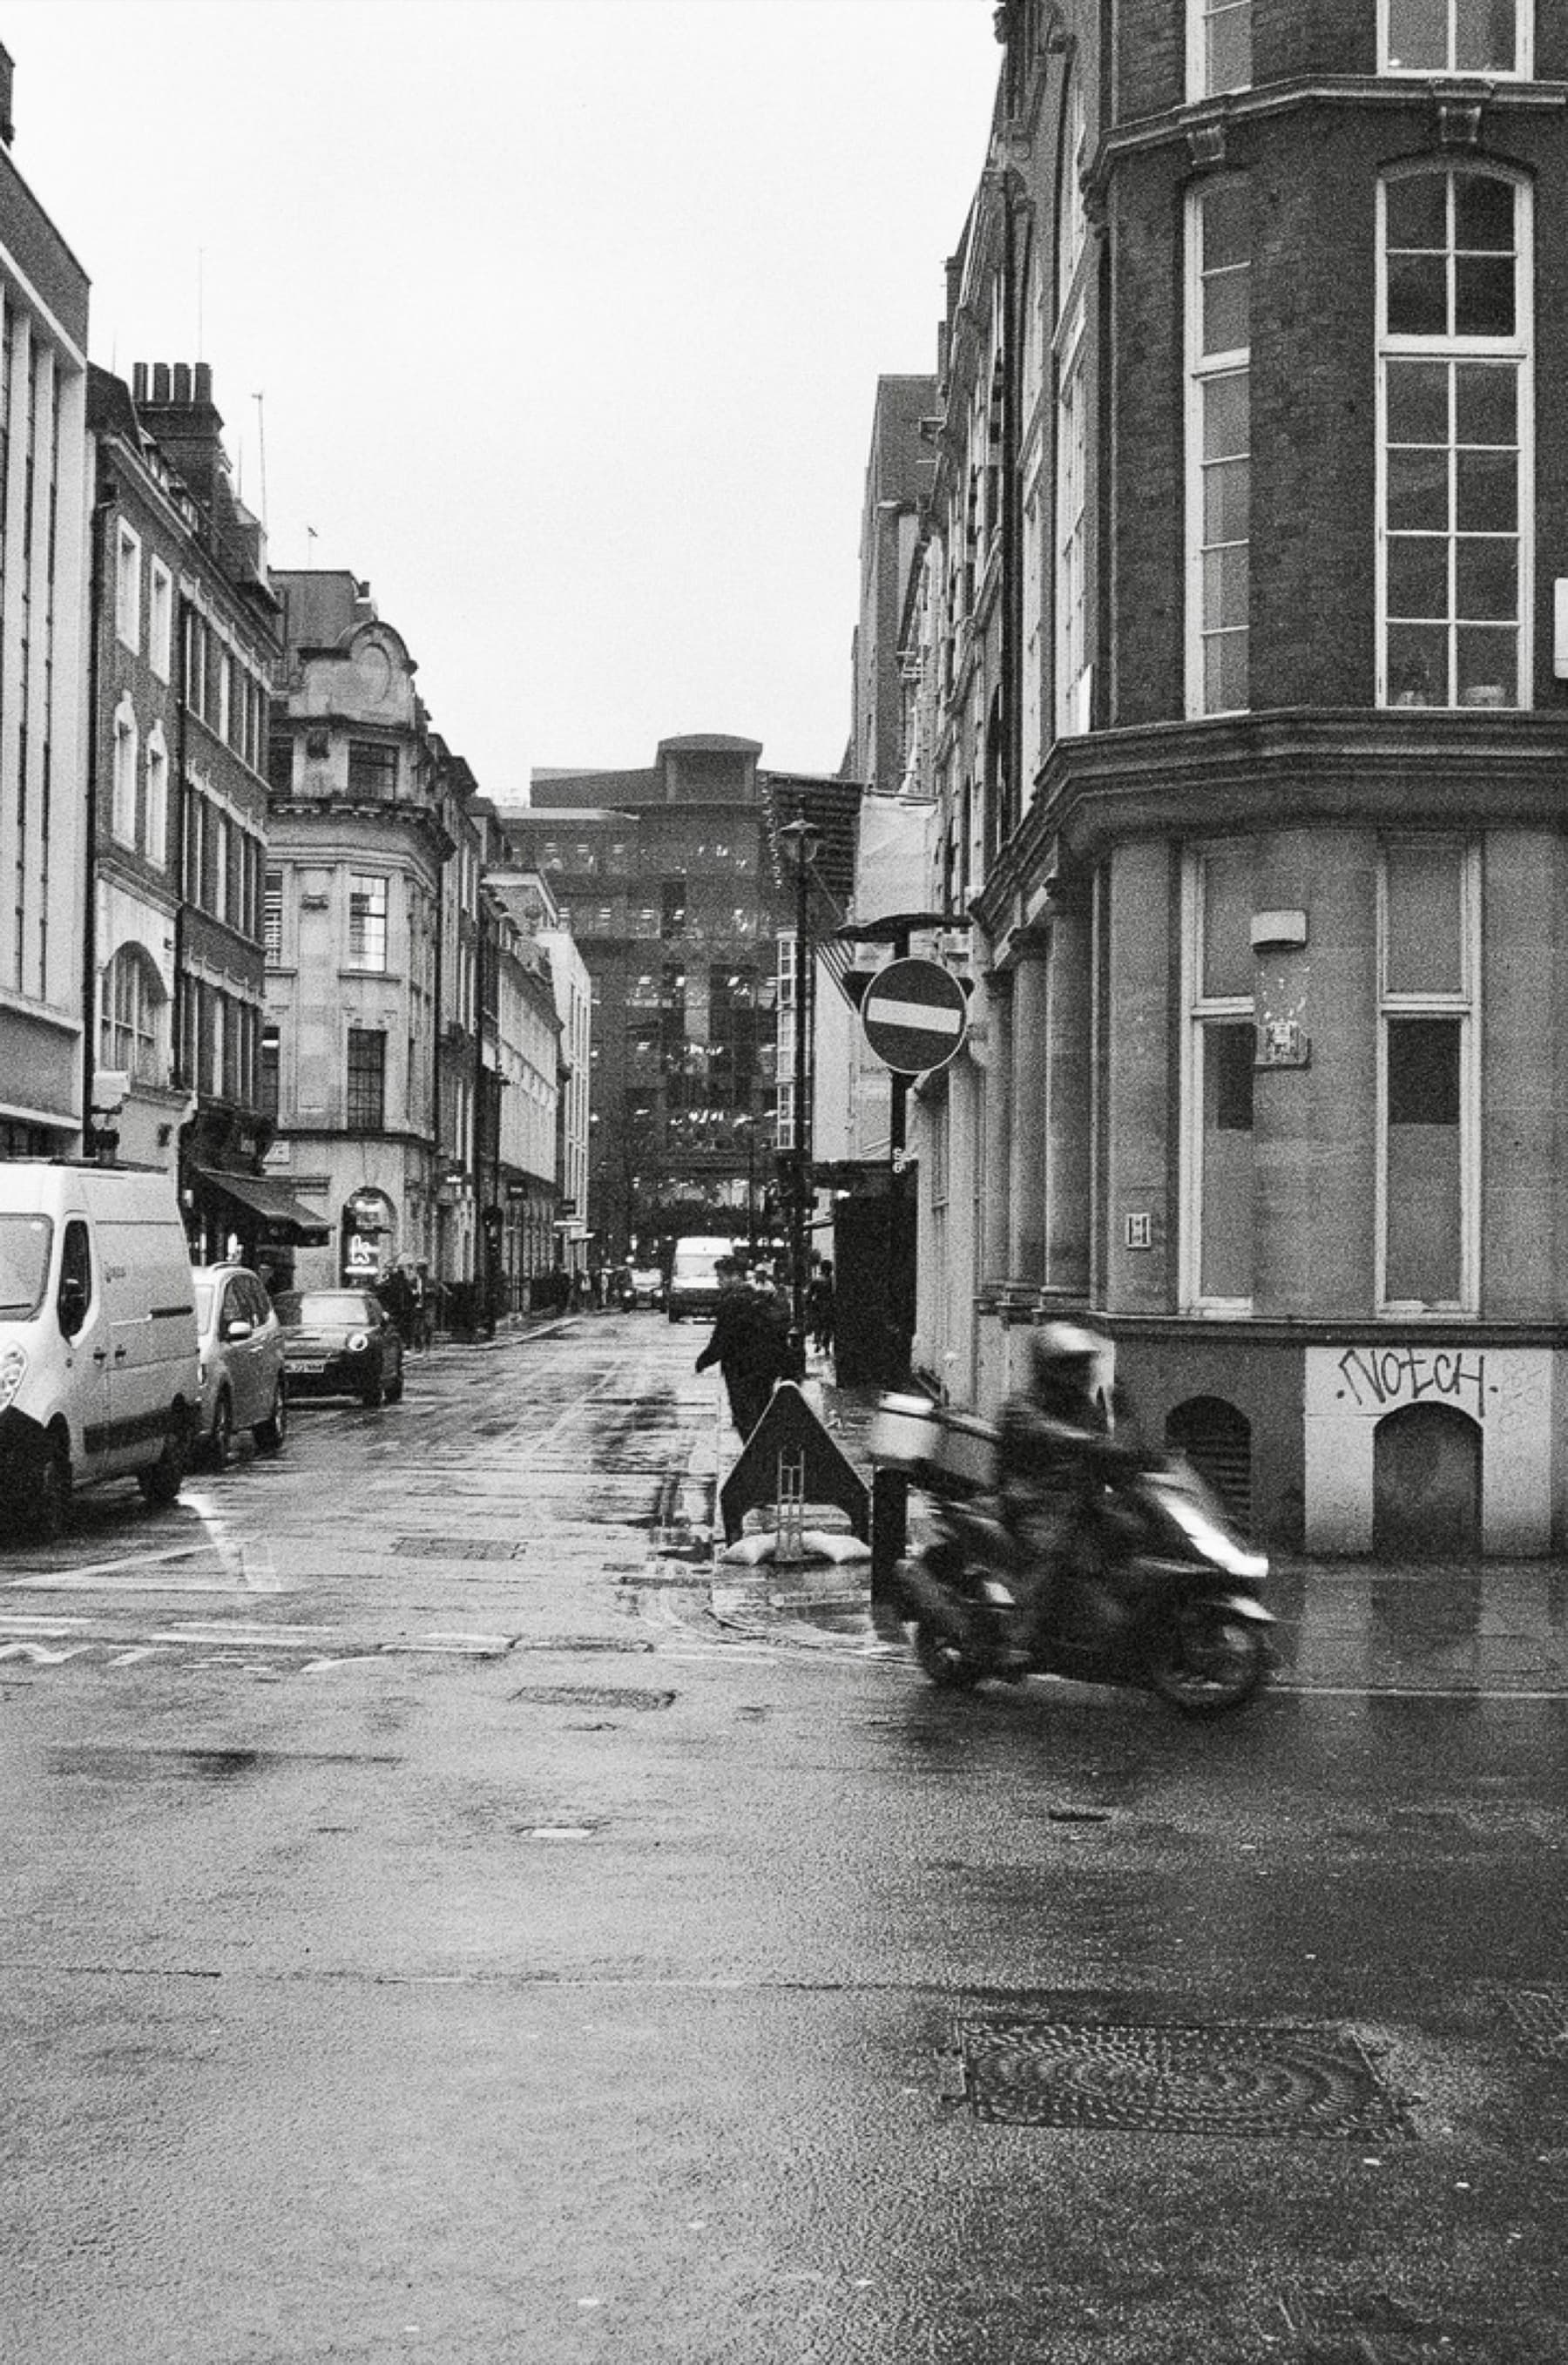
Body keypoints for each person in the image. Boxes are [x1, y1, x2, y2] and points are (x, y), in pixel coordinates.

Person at [994, 1321, 1138, 1655]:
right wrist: (1085, 1441)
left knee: (1133, 1531)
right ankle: (1020, 1634)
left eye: (1083, 1364)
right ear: (1048, 1368)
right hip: (1031, 1500)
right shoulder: (1021, 1406)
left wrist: (1138, 1461)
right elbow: (1047, 1431)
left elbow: (1107, 1458)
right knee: (1056, 1547)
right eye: (1069, 1365)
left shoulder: (1086, 1409)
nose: (1080, 1372)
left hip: (1076, 1501)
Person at [695, 1258, 791, 1439]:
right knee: (761, 1413)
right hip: (763, 1367)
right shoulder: (755, 1296)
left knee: (745, 1417)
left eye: (721, 1277)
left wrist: (704, 1360)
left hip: (740, 1369)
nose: (719, 1282)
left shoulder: (732, 1301)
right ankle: (763, 1455)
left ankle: (755, 1459)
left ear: (735, 1276)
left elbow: (723, 1338)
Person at [806, 1260, 835, 1357]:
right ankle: (826, 1346)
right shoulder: (832, 1280)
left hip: (818, 1305)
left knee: (818, 1326)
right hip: (830, 1305)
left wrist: (809, 1305)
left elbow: (809, 1295)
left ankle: (818, 1342)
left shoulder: (816, 1280)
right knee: (828, 1328)